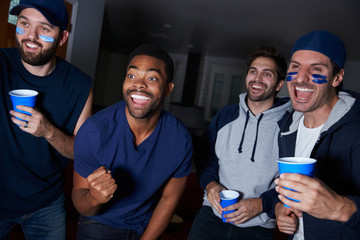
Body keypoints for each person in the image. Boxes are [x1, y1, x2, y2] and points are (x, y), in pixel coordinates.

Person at [72, 44, 193, 240]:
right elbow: (81, 203)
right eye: (132, 75)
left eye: (152, 78)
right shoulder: (94, 131)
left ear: (168, 89)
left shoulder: (180, 138)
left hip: (144, 225)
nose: (139, 84)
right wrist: (94, 198)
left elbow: (169, 198)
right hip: (99, 221)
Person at [0, 0, 93, 239]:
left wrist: (48, 131)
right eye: (24, 24)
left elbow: (80, 152)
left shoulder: (80, 85)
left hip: (45, 204)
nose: (31, 35)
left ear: (62, 38)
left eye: (44, 28)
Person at [260, 30, 360, 239]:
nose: (300, 78)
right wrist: (279, 208)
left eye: (316, 69)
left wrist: (341, 208)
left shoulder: (356, 129)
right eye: (295, 67)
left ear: (337, 78)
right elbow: (287, 187)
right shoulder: (287, 127)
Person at [188, 46, 292, 240]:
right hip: (210, 218)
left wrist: (260, 204)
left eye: (267, 74)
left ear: (279, 84)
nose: (257, 79)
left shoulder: (290, 125)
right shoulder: (224, 116)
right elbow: (206, 158)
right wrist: (210, 185)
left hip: (258, 227)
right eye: (253, 71)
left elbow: (292, 180)